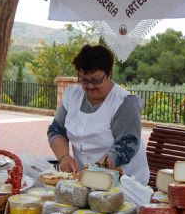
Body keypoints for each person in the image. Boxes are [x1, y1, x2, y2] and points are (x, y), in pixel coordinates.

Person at [47, 44, 149, 185]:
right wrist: (64, 157)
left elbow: (127, 144)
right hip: (86, 181)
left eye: (96, 80)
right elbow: (56, 130)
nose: (89, 86)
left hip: (125, 182)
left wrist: (99, 168)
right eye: (84, 80)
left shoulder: (123, 102)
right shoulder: (72, 96)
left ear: (109, 74)